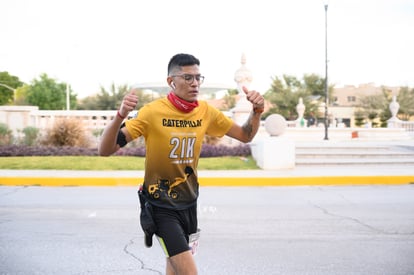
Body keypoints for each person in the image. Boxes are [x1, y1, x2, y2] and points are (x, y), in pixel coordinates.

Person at [98, 53, 264, 275]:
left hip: (189, 203)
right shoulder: (152, 112)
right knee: (188, 272)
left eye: (198, 77)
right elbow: (105, 149)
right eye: (187, 78)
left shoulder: (205, 111)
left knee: (174, 267)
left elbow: (245, 135)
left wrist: (256, 112)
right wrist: (120, 116)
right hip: (160, 206)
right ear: (171, 81)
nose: (195, 83)